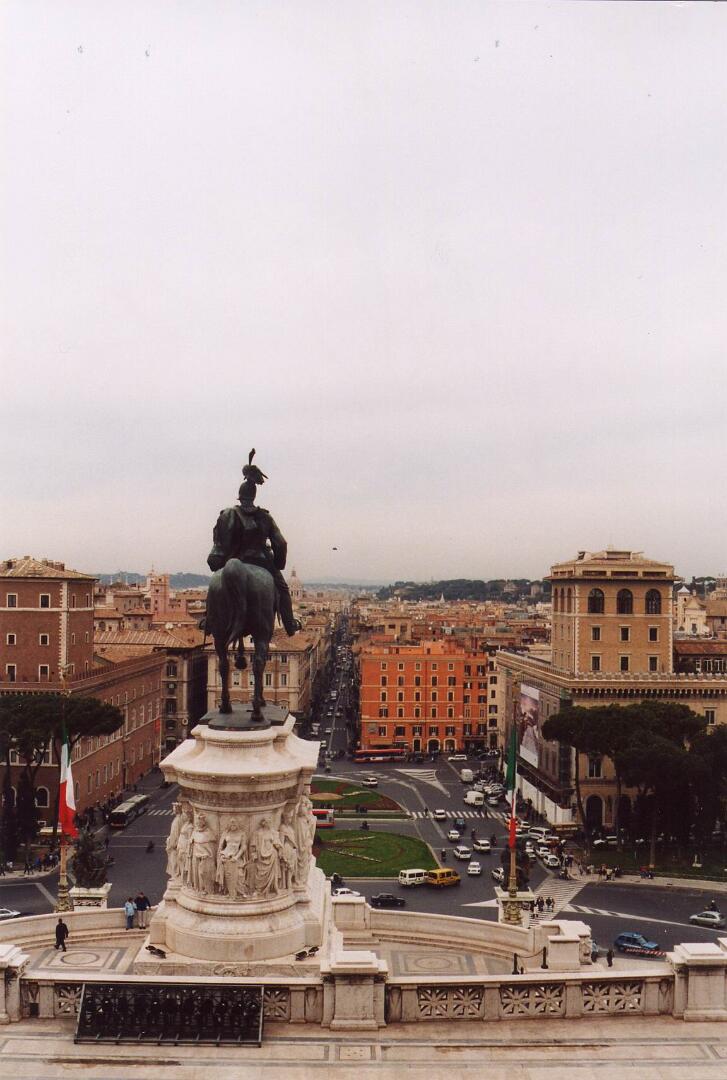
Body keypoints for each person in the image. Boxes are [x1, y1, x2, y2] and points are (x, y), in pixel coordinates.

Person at [206, 450, 301, 636]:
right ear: (254, 496)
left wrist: (216, 560)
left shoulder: (227, 514)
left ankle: (209, 620)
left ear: (240, 496)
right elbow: (281, 543)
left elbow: (219, 544)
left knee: (214, 586)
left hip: (232, 560)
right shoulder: (264, 517)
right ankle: (290, 624)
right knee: (283, 590)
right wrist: (278, 564)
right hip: (262, 562)